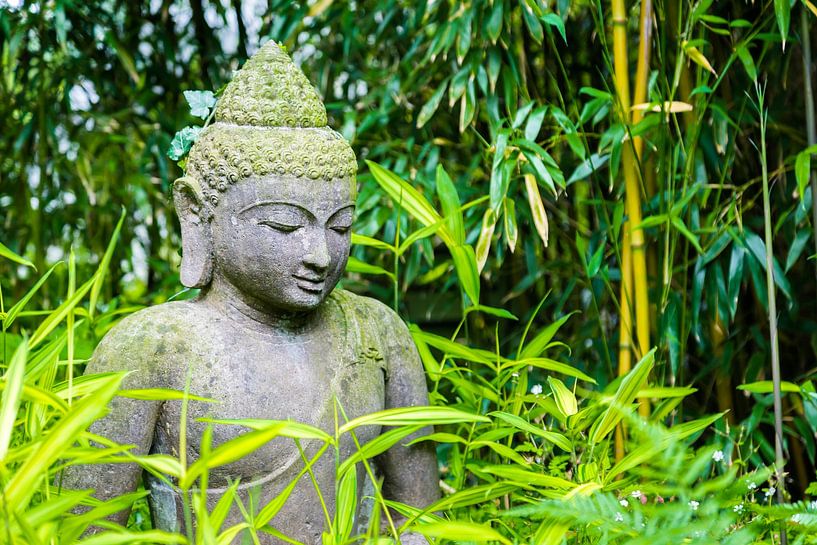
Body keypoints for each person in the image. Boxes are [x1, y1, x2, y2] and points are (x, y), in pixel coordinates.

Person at [63, 41, 438, 544]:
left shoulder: (377, 332)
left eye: (340, 227)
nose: (320, 255)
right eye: (284, 226)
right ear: (198, 212)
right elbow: (84, 530)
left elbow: (419, 520)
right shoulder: (155, 347)